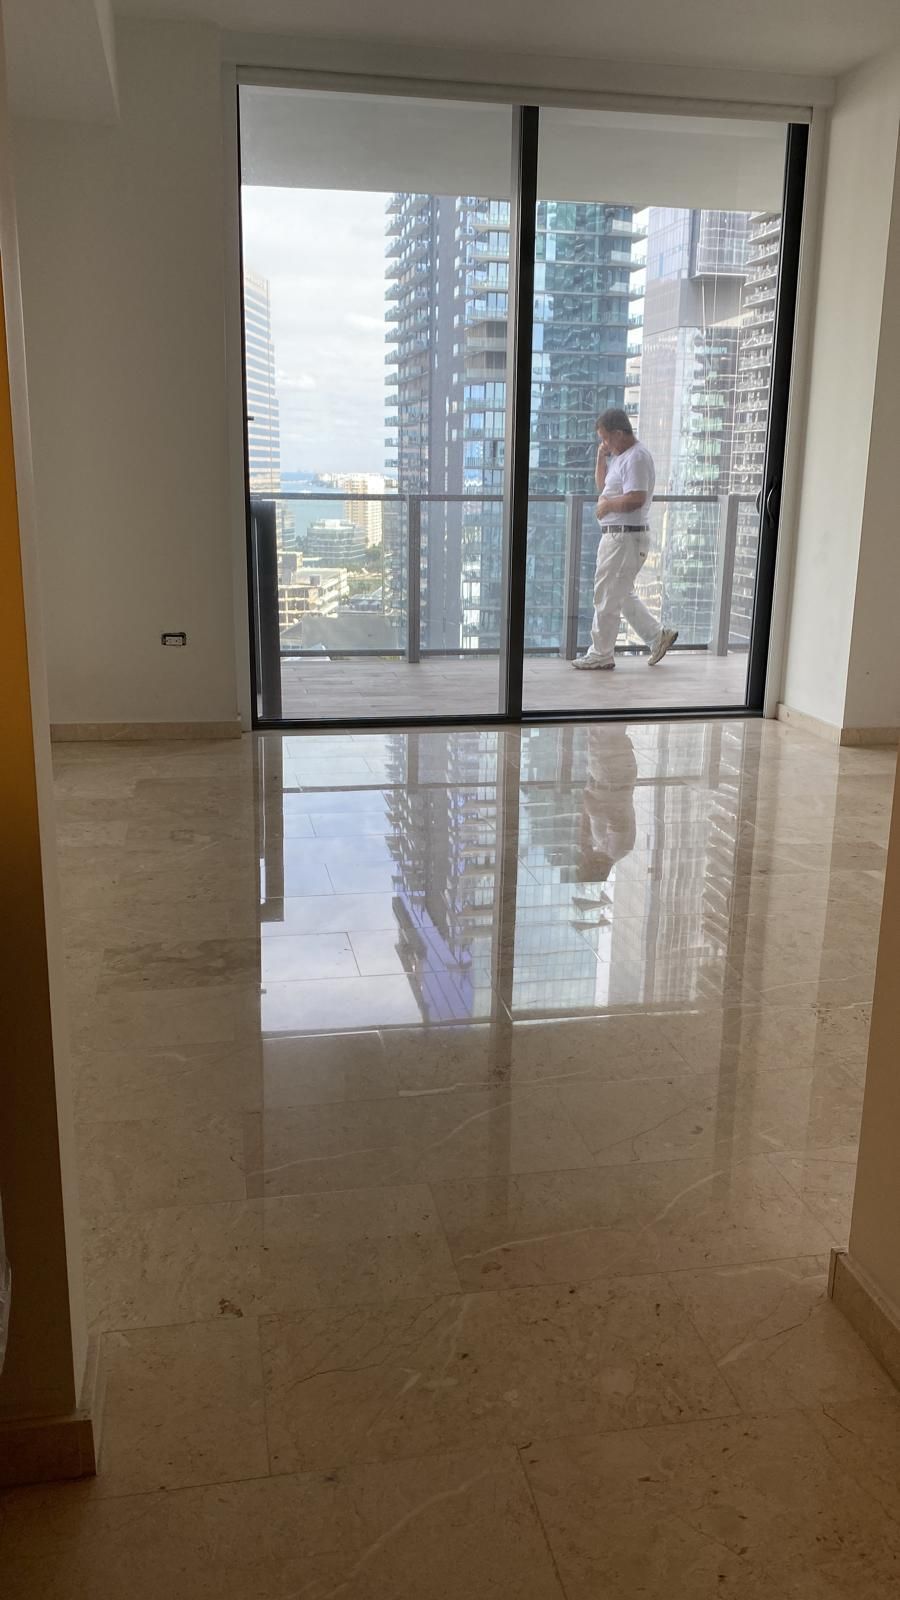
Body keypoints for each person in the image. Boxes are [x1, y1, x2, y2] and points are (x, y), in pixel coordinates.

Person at [573, 408, 678, 671]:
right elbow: (604, 488)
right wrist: (601, 458)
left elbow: (636, 498)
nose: (604, 444)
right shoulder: (621, 457)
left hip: (624, 539)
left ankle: (601, 652)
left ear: (620, 433)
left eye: (606, 439)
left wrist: (607, 507)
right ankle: (657, 636)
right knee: (621, 594)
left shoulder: (637, 458)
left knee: (607, 595)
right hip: (619, 538)